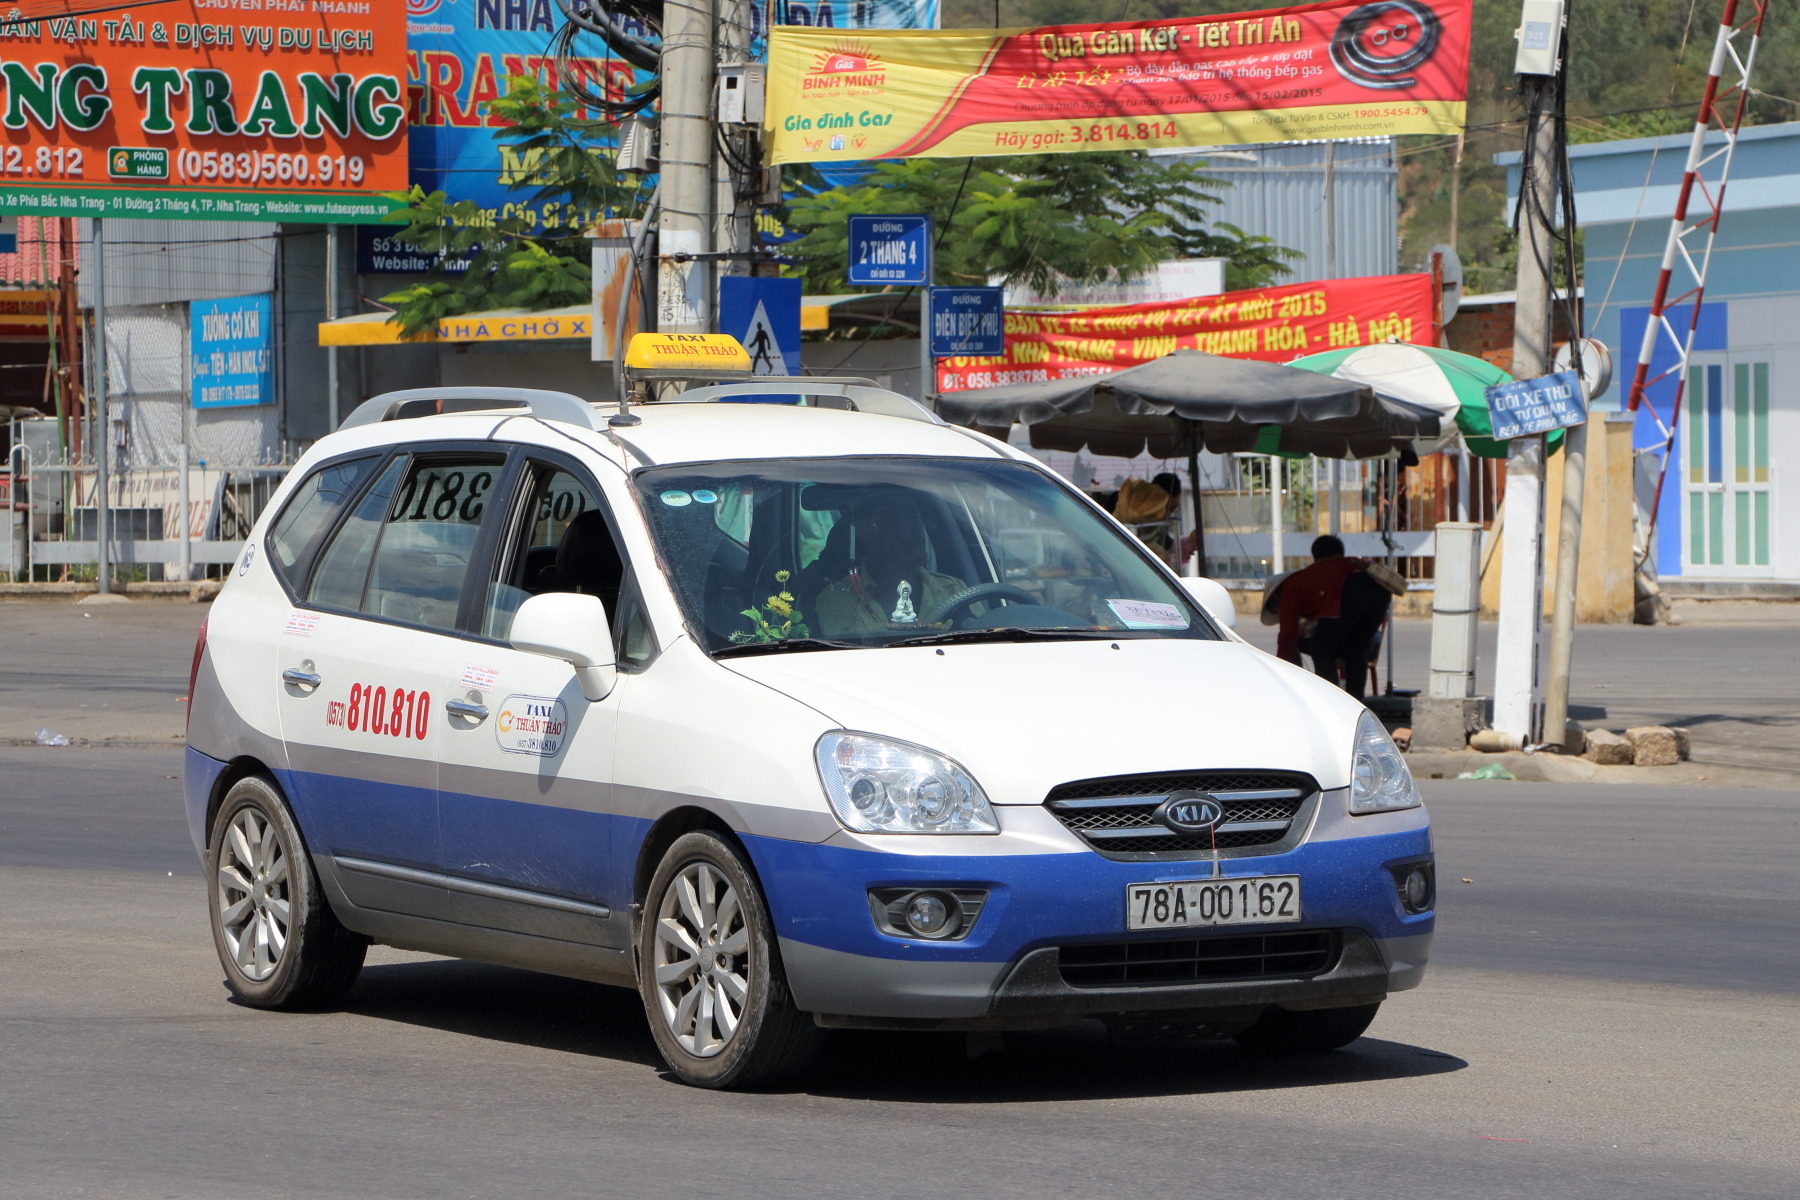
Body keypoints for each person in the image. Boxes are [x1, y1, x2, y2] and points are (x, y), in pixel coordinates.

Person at [815, 495, 965, 635]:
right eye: (896, 523)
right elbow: (850, 655)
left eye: (914, 522)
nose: (911, 534)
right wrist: (892, 580)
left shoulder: (954, 590)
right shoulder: (837, 598)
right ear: (866, 532)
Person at [1275, 535, 1390, 700]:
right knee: (1356, 649)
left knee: (1322, 650)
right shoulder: (1353, 564)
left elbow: (1287, 636)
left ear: (1316, 557)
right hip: (1380, 593)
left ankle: (1330, 701)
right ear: (1340, 552)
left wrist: (1281, 670)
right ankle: (1356, 702)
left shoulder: (1293, 584)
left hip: (1350, 593)